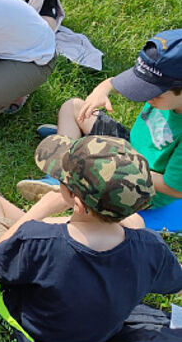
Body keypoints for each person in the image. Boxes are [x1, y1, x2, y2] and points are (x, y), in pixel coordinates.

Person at [0, 134, 182, 342]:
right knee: (135, 223)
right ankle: (95, 217)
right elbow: (174, 283)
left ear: (75, 201)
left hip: (39, 328)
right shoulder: (152, 248)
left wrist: (40, 209)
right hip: (98, 336)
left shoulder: (38, 239)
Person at [18, 29, 182, 208]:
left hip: (141, 185)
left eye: (154, 93)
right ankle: (66, 170)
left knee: (96, 174)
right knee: (73, 107)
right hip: (128, 147)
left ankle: (67, 185)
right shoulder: (164, 78)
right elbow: (117, 81)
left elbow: (174, 189)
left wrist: (120, 165)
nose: (146, 97)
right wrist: (102, 90)